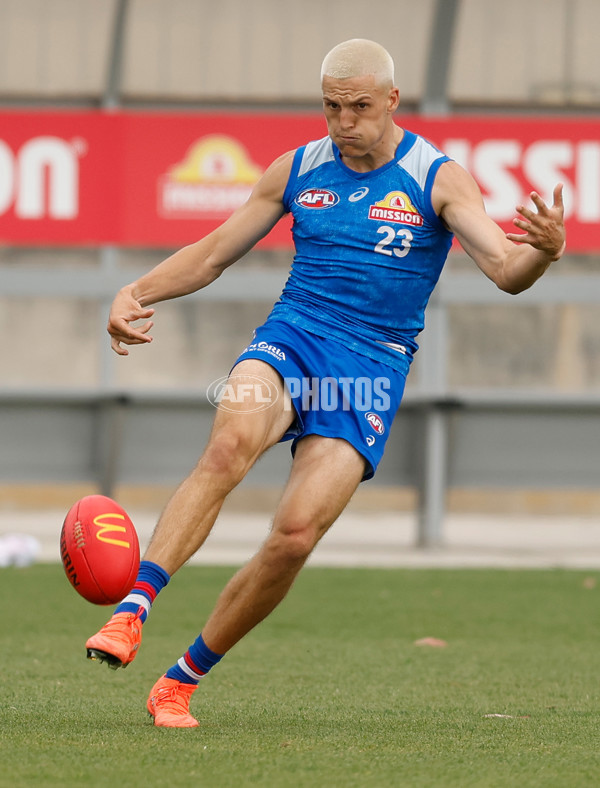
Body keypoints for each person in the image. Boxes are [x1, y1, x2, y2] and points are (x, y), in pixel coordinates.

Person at [85, 39, 566, 728]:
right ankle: (132, 612)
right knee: (228, 448)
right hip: (294, 337)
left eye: (361, 106)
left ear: (393, 101)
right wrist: (136, 291)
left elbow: (503, 269)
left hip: (371, 367)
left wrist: (543, 253)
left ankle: (179, 682)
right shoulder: (298, 168)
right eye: (333, 106)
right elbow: (215, 252)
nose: (345, 121)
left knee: (295, 535)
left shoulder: (437, 177)